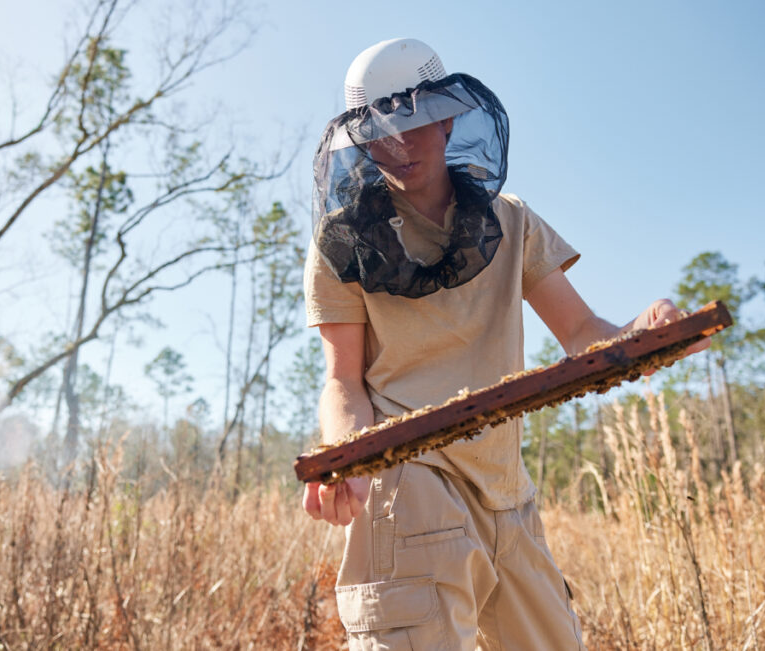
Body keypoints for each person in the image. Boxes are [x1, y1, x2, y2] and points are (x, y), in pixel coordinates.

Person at [301, 38, 709, 650]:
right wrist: (348, 459)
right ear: (360, 138)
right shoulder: (342, 242)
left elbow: (582, 334)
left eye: (415, 123)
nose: (401, 144)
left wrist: (645, 334)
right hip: (411, 481)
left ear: (447, 117)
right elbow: (343, 380)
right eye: (383, 131)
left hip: (507, 495)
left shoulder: (510, 220)